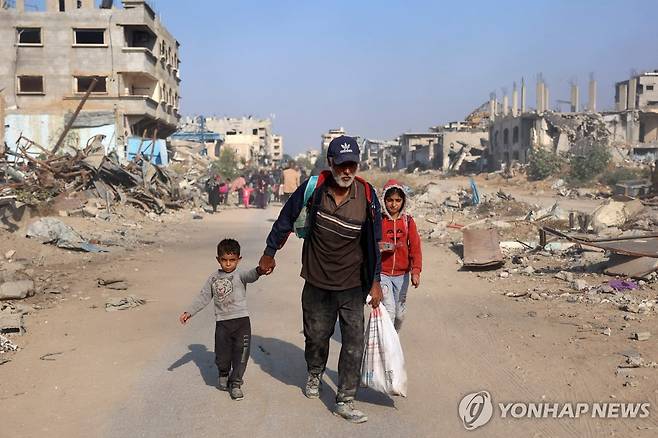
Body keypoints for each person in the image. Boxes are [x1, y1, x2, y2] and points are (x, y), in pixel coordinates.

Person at [258, 136, 383, 424]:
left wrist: (375, 280)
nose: (347, 171)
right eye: (341, 165)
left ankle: (345, 398)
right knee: (316, 337)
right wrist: (269, 252)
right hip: (316, 280)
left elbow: (375, 240)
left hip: (353, 283)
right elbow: (285, 218)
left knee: (353, 342)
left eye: (352, 165)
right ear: (331, 163)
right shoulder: (313, 189)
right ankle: (315, 372)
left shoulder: (366, 195)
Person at [178, 239, 264, 401]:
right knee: (222, 355)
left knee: (241, 354)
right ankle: (223, 373)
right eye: (224, 260)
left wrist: (260, 270)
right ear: (218, 259)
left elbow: (252, 275)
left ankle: (236, 383)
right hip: (223, 324)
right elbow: (203, 297)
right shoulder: (213, 278)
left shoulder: (240, 275)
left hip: (242, 322)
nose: (228, 264)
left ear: (239, 259)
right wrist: (189, 312)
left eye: (232, 260)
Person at [379, 179, 422, 331]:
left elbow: (415, 247)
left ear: (403, 201)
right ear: (384, 201)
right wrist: (383, 246)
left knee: (399, 314)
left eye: (398, 200)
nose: (393, 204)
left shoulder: (408, 221)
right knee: (389, 309)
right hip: (383, 274)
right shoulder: (379, 221)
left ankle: (393, 337)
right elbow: (371, 244)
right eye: (389, 200)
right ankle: (387, 344)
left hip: (402, 275)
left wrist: (415, 271)